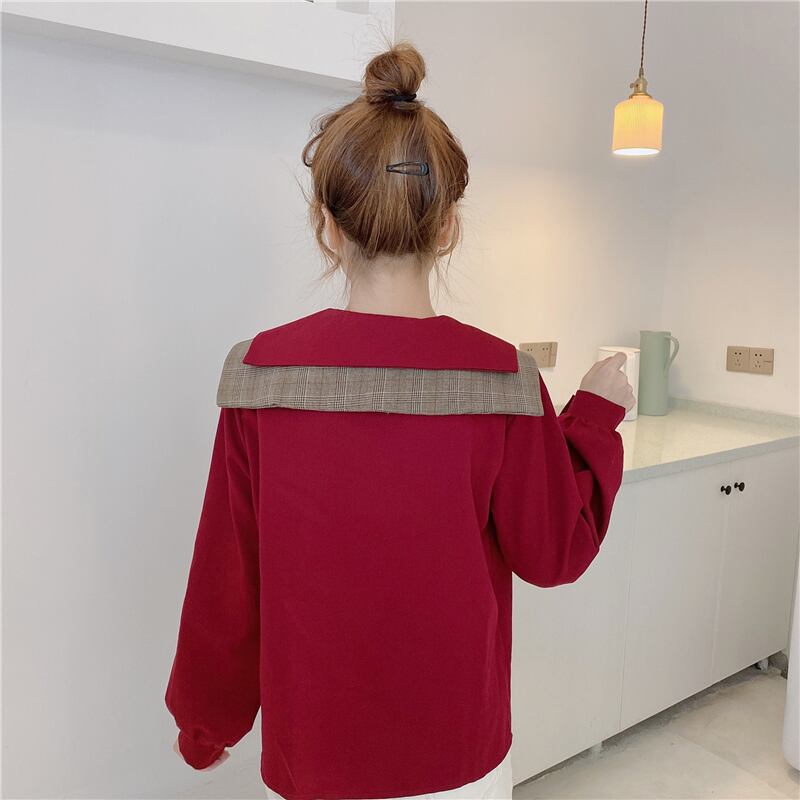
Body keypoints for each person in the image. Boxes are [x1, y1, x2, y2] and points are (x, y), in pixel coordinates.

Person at [164, 39, 635, 800]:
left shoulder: (262, 374)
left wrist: (206, 722)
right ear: (448, 227)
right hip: (460, 756)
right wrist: (594, 415)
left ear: (327, 226)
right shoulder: (501, 378)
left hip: (315, 753)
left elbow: (228, 574)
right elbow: (554, 550)